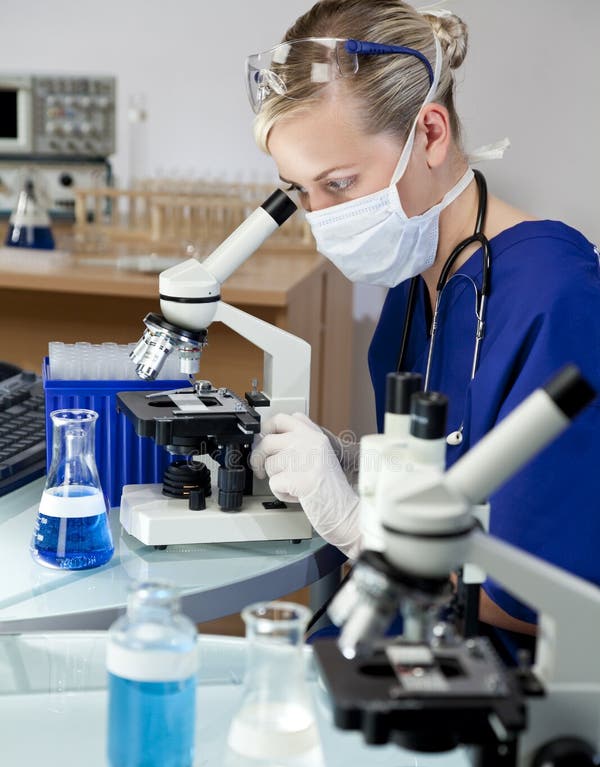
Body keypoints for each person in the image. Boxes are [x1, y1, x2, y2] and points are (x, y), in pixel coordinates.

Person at [246, 0, 600, 656]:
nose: (320, 219)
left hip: (507, 684)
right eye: (300, 192)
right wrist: (356, 467)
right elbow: (445, 482)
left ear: (430, 134)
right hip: (407, 640)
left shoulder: (556, 294)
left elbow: (556, 596)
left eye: (340, 183)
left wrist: (361, 530)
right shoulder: (414, 292)